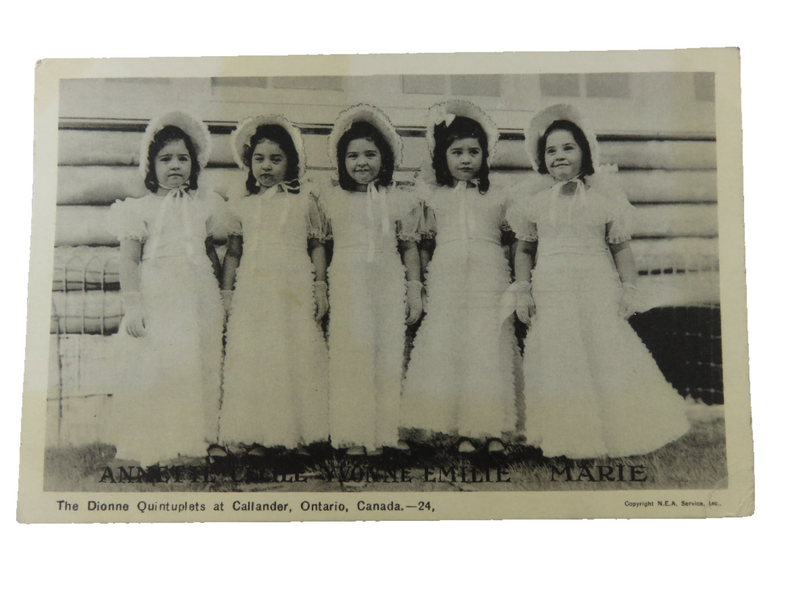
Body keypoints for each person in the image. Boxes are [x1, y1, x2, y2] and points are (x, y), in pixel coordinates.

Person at [506, 104, 691, 459]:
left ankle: (617, 431)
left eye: (568, 148)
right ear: (541, 159)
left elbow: (621, 249)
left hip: (595, 285)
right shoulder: (533, 203)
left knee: (605, 355)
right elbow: (525, 251)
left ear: (585, 153)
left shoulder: (604, 200)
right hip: (552, 288)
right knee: (561, 357)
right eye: (551, 150)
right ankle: (567, 435)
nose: (559, 156)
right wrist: (524, 290)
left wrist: (629, 288)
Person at [109, 111, 230, 465]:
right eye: (165, 159)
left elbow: (210, 251)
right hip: (160, 295)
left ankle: (204, 436)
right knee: (164, 364)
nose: (174, 166)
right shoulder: (139, 209)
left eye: (182, 158)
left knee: (202, 360)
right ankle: (165, 439)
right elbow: (129, 260)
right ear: (151, 166)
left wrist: (222, 294)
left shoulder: (203, 205)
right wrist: (133, 304)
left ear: (195, 163)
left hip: (199, 295)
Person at [401, 100, 519, 454]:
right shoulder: (433, 198)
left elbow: (512, 241)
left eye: (473, 151)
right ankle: (461, 431)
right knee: (453, 347)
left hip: (489, 277)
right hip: (447, 278)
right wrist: (418, 285)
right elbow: (424, 246)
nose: (466, 159)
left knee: (487, 347)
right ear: (443, 156)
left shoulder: (498, 197)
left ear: (485, 154)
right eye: (457, 152)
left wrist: (516, 282)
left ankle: (493, 428)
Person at [218, 116, 329, 454]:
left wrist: (321, 286)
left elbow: (317, 244)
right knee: (256, 356)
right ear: (248, 163)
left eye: (276, 159)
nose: (266, 166)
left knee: (293, 353)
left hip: (294, 285)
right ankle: (257, 435)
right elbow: (233, 252)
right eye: (259, 159)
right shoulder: (242, 204)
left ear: (290, 162)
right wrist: (227, 292)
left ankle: (296, 436)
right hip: (254, 287)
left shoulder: (304, 199)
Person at [321, 104, 423, 455]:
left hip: (388, 278)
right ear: (342, 161)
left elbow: (409, 247)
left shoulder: (399, 199)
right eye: (352, 156)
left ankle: (384, 432)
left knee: (387, 350)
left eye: (369, 154)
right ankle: (354, 434)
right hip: (348, 279)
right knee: (353, 352)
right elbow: (323, 245)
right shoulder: (333, 199)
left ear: (385, 157)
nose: (361, 162)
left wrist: (414, 289)